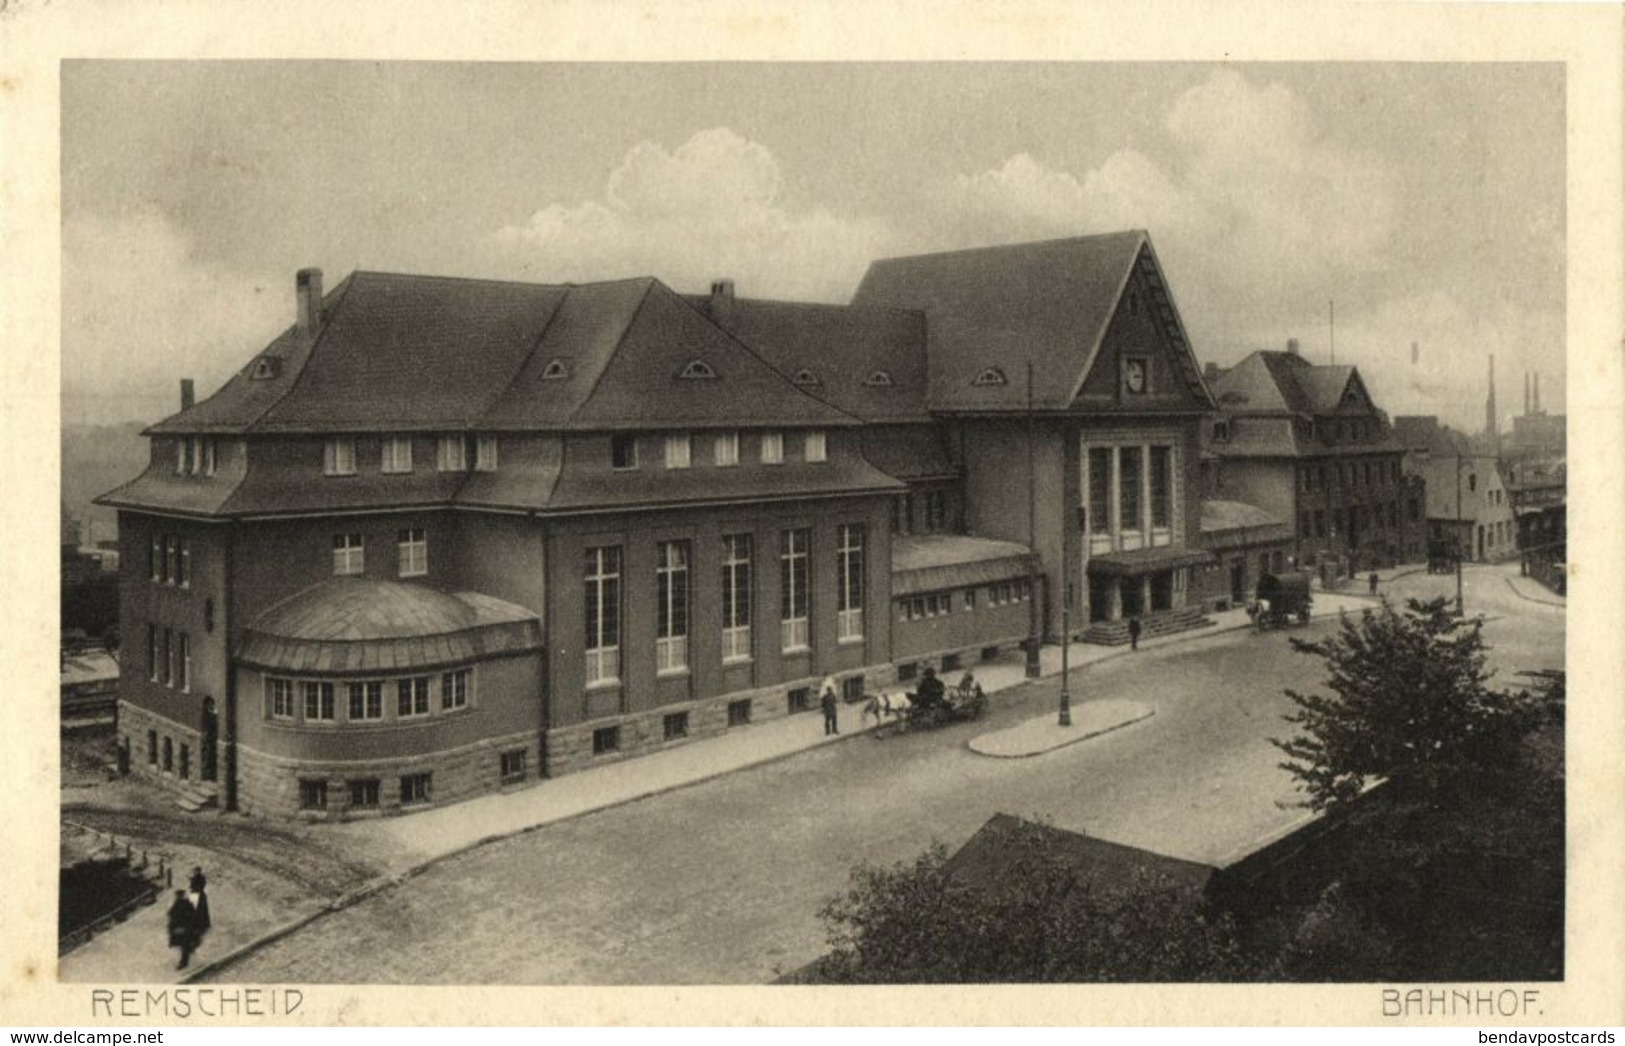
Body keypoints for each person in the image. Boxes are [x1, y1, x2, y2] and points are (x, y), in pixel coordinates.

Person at [166, 889, 198, 970]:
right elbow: (171, 913)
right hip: (180, 928)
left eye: (180, 895)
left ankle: (184, 962)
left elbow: (192, 913)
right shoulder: (177, 903)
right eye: (178, 895)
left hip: (185, 927)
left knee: (184, 945)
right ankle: (185, 957)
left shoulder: (185, 903)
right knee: (183, 945)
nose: (178, 897)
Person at [188, 866, 211, 939]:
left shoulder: (202, 877)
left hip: (200, 895)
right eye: (195, 871)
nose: (195, 872)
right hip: (195, 894)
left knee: (201, 910)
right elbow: (191, 886)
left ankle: (203, 925)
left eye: (196, 871)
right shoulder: (195, 877)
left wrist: (194, 885)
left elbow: (202, 886)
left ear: (199, 871)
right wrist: (191, 882)